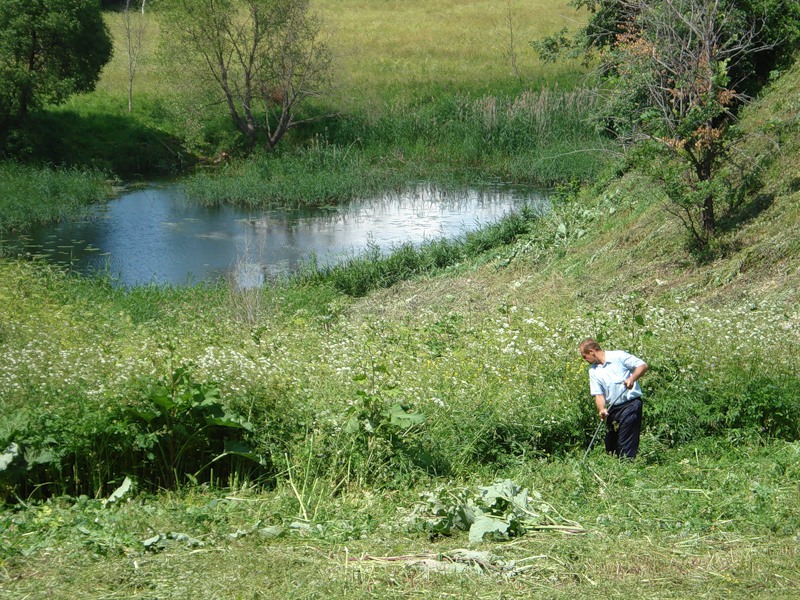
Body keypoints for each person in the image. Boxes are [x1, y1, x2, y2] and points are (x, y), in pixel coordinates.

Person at [579, 338, 649, 459]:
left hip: (630, 404)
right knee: (611, 445)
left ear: (591, 352)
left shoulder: (618, 356)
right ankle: (615, 470)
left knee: (625, 441)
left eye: (584, 357)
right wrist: (601, 409)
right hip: (613, 409)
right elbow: (598, 394)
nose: (584, 360)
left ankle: (627, 468)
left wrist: (632, 379)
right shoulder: (593, 371)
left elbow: (642, 365)